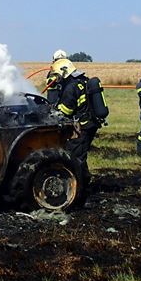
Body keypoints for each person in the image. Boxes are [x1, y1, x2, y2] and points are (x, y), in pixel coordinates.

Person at [52, 58, 99, 190]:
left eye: (58, 75)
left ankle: (80, 187)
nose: (57, 79)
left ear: (64, 72)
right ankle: (84, 181)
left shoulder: (70, 87)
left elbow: (66, 110)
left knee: (76, 156)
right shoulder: (82, 80)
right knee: (80, 154)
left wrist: (54, 111)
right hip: (90, 123)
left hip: (82, 126)